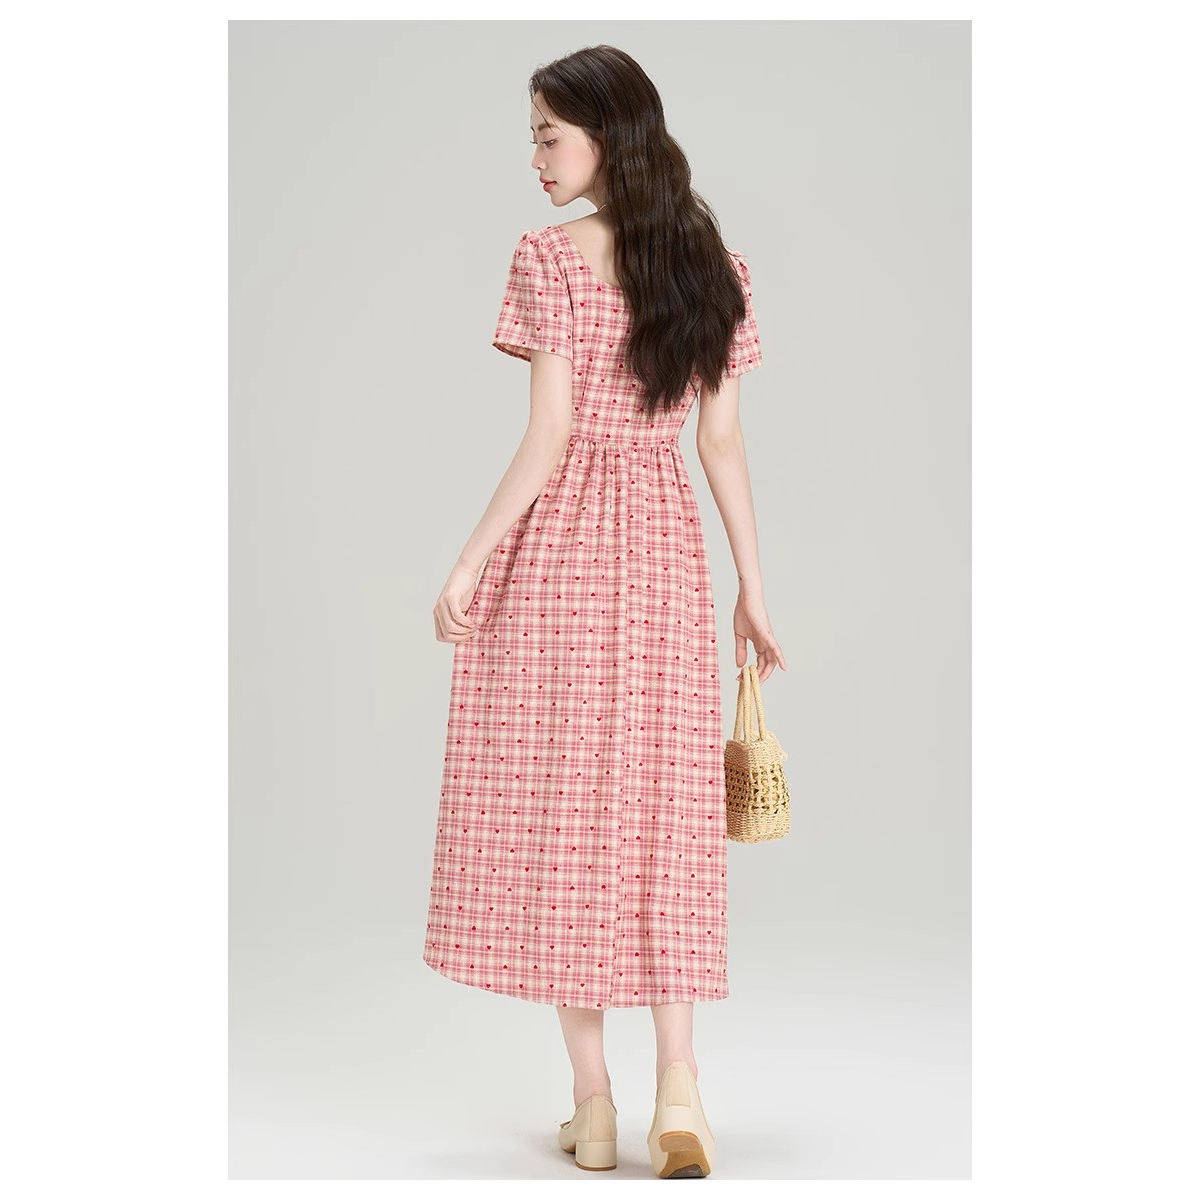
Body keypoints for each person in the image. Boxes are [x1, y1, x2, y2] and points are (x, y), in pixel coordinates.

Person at [424, 45, 787, 1179]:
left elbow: (549, 435)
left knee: (563, 814)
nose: (535, 157)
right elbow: (720, 441)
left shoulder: (549, 258)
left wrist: (471, 559)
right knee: (666, 814)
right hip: (667, 554)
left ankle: (593, 1106)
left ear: (606, 136)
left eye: (549, 135)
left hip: (565, 554)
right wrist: (752, 587)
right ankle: (683, 1086)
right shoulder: (714, 266)